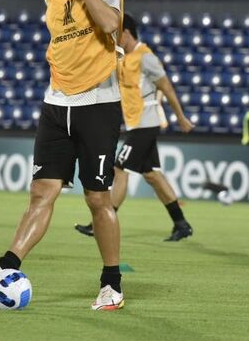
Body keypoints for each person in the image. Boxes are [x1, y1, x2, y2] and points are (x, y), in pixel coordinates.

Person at [0, 0, 126, 310]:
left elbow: (108, 25)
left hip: (98, 105)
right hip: (56, 105)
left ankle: (112, 283)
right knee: (41, 192)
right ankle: (5, 266)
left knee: (97, 198)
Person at [75, 13, 195, 241]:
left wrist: (180, 117)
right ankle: (181, 224)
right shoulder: (124, 58)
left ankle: (99, 222)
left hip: (145, 125)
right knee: (152, 175)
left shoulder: (145, 57)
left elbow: (166, 87)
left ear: (127, 33)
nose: (114, 39)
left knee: (120, 168)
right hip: (135, 125)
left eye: (117, 34)